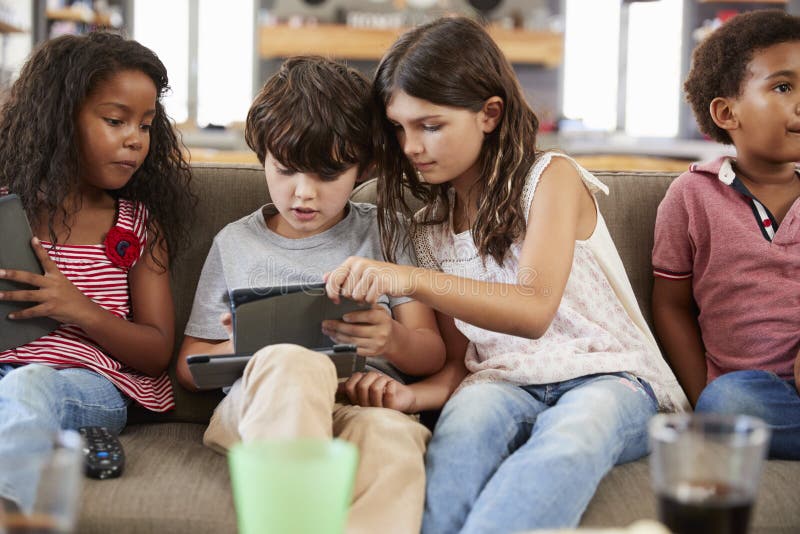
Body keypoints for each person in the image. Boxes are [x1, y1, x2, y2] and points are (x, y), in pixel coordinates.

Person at [324, 16, 689, 534]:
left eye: (430, 125)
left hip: (608, 376)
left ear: (489, 115)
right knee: (460, 441)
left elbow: (533, 309)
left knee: (572, 436)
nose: (410, 146)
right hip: (499, 384)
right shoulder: (429, 229)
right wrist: (413, 397)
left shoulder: (550, 178)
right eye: (399, 128)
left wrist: (407, 278)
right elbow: (459, 362)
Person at [175, 56, 445, 534]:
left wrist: (390, 341)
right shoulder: (234, 244)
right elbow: (188, 368)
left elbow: (430, 353)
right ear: (263, 157)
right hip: (261, 409)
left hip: (360, 407)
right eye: (285, 171)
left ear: (363, 169)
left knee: (393, 440)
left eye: (327, 176)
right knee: (295, 360)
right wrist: (242, 346)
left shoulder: (387, 234)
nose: (303, 194)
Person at [0, 32, 194, 514]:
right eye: (115, 120)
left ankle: (12, 509)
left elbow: (155, 354)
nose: (135, 138)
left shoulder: (136, 226)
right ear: (59, 120)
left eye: (145, 126)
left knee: (29, 385)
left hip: (88, 384)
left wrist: (79, 310)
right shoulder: (8, 212)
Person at [652, 9, 800, 460]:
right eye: (783, 86)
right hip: (750, 392)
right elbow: (671, 306)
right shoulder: (691, 196)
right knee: (726, 403)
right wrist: (701, 396)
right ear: (726, 112)